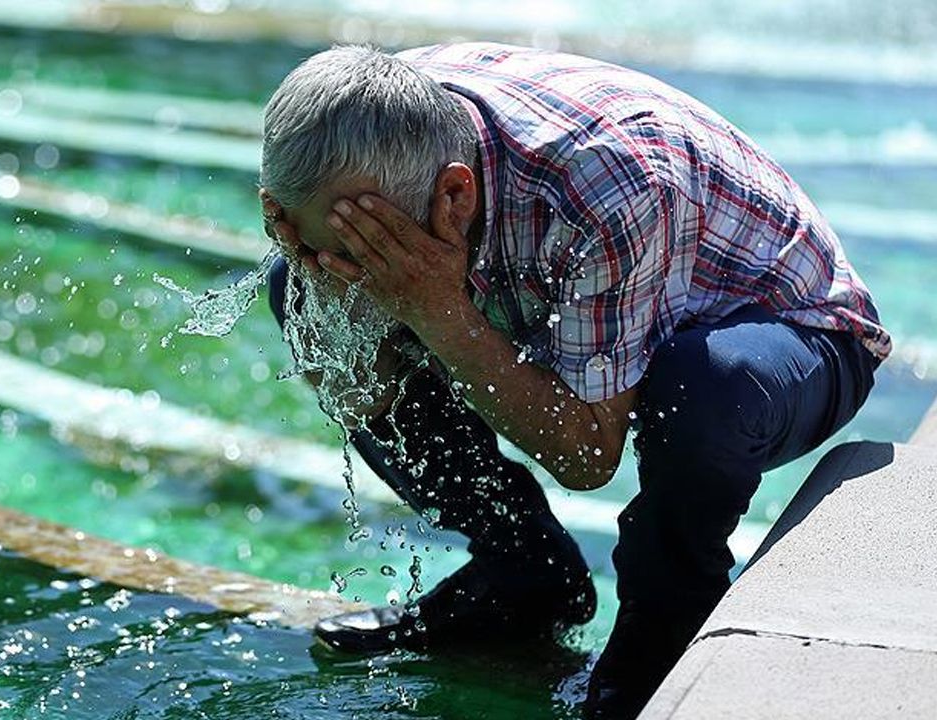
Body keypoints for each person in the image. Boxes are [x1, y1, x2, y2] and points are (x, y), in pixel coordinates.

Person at [256, 44, 889, 718]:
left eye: (365, 252)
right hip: (580, 285)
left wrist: (438, 312)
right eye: (308, 242)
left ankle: (662, 642)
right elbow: (367, 386)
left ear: (454, 195)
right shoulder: (337, 133)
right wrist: (327, 289)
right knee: (293, 292)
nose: (338, 268)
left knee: (699, 386)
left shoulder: (607, 182)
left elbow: (586, 455)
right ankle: (525, 574)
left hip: (794, 335)